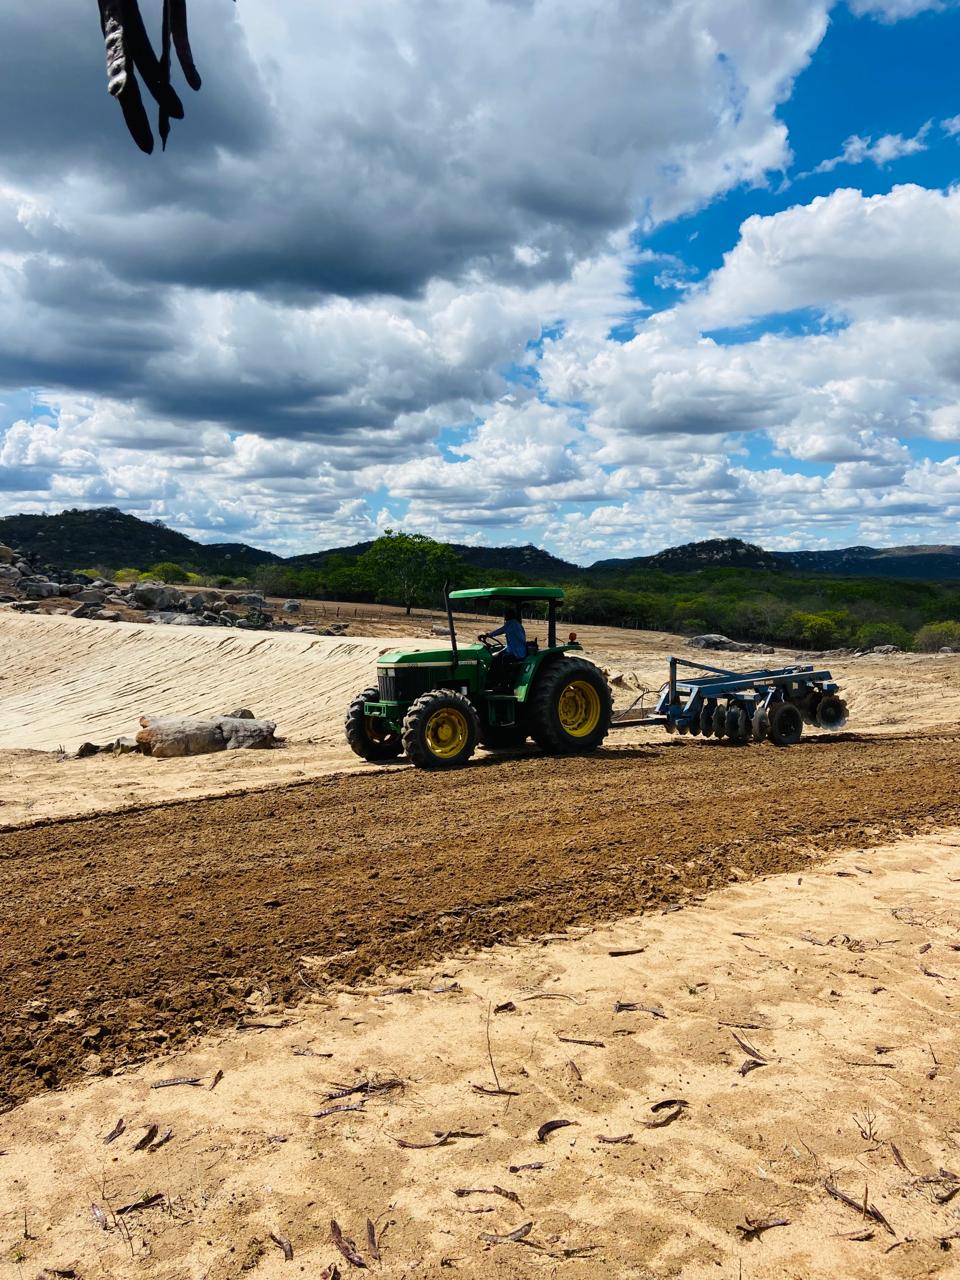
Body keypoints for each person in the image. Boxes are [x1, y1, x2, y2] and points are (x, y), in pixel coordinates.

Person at [480, 605, 527, 683]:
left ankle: (503, 683)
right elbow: (511, 641)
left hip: (517, 652)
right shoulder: (516, 624)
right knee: (495, 656)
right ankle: (493, 680)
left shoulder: (511, 624)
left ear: (509, 616)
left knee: (503, 659)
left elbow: (500, 630)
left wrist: (488, 635)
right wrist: (488, 635)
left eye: (506, 615)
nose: (504, 617)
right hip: (513, 649)